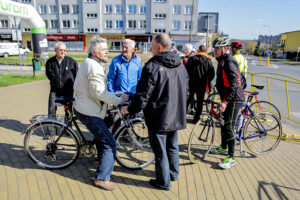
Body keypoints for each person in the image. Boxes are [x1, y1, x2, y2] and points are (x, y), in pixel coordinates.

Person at [121, 33, 189, 190]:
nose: (150, 49)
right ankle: (173, 173)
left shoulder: (152, 67)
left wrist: (129, 109)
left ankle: (163, 182)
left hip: (159, 117)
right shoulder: (180, 65)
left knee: (160, 152)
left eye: (151, 47)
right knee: (172, 146)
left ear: (159, 47)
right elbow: (186, 91)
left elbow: (143, 95)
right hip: (176, 114)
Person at [73, 36, 128, 191]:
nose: (107, 52)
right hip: (89, 110)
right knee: (109, 143)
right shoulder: (94, 66)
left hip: (87, 106)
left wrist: (114, 95)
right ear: (93, 52)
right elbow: (99, 93)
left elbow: (98, 90)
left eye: (107, 49)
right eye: (104, 49)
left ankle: (101, 159)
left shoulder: (91, 63)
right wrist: (118, 100)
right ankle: (101, 179)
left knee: (103, 135)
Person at [210, 37, 245, 169]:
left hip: (235, 98)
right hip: (227, 97)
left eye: (217, 49)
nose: (215, 51)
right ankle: (223, 147)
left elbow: (234, 84)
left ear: (225, 49)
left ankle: (231, 157)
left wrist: (225, 101)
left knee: (229, 126)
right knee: (224, 124)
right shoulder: (221, 60)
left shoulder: (229, 61)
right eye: (214, 49)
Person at [45, 42, 78, 117]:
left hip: (68, 89)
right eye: (60, 50)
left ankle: (67, 127)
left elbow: (77, 76)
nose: (63, 52)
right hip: (55, 89)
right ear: (55, 50)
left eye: (64, 50)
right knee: (51, 108)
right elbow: (48, 74)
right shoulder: (50, 62)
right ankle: (52, 127)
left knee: (68, 109)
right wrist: (55, 81)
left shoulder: (72, 62)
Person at [185, 45, 215, 123]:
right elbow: (212, 74)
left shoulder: (192, 59)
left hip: (191, 83)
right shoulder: (208, 60)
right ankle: (196, 118)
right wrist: (207, 81)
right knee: (200, 102)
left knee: (187, 100)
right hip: (202, 84)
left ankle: (182, 117)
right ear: (205, 52)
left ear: (198, 50)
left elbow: (186, 70)